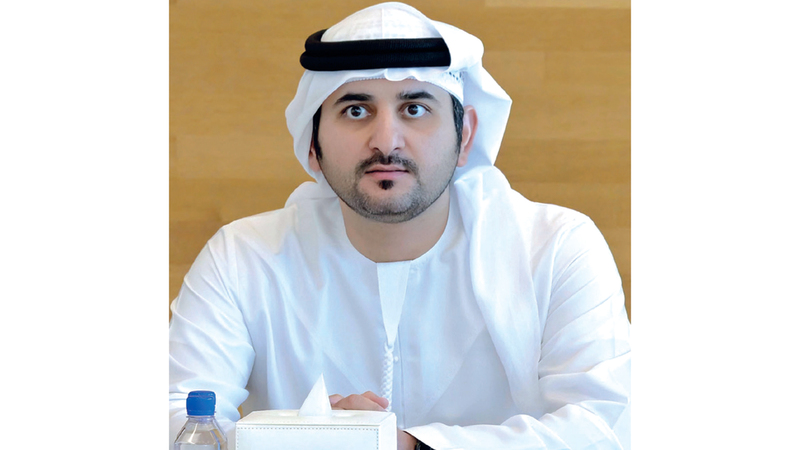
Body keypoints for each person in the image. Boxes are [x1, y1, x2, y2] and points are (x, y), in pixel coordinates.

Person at [169, 2, 631, 449]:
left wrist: (407, 446)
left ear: (465, 136)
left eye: (415, 109)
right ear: (312, 145)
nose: (386, 141)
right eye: (356, 110)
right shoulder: (244, 257)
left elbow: (603, 427)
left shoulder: (554, 248)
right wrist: (308, 439)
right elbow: (173, 414)